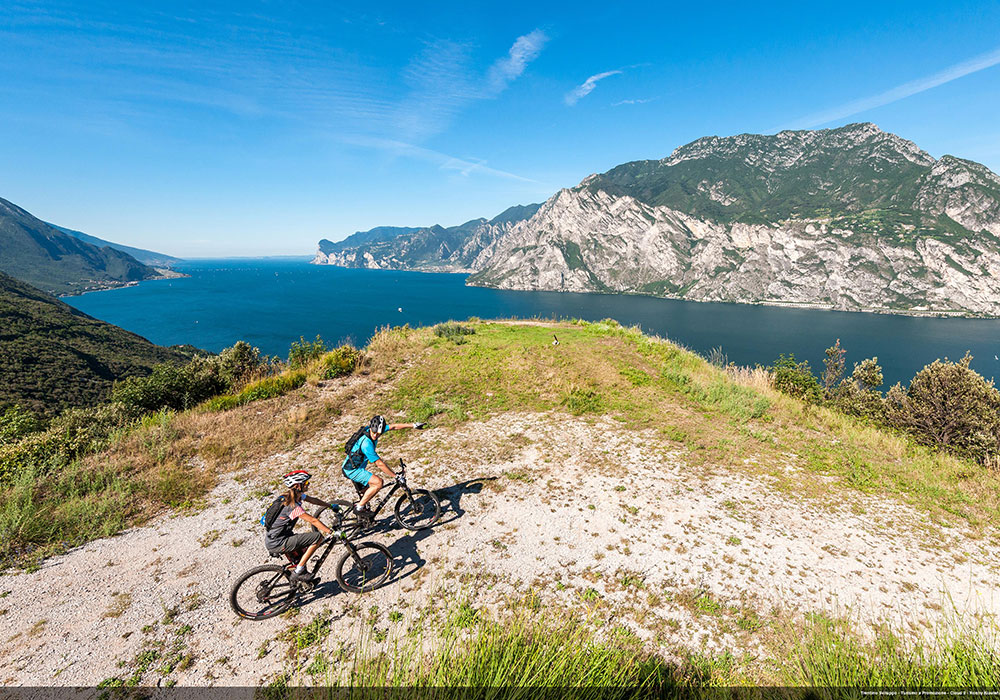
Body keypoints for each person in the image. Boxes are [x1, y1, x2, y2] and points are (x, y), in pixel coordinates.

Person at [342, 415, 426, 522]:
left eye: (379, 433)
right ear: (371, 428)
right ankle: (359, 508)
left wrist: (413, 425)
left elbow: (394, 426)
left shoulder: (374, 429)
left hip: (356, 466)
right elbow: (379, 464)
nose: (376, 435)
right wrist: (396, 476)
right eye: (375, 432)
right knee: (378, 483)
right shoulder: (366, 444)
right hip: (352, 470)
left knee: (367, 492)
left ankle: (363, 520)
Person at [264, 470, 335, 583]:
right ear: (298, 485)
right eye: (306, 483)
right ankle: (299, 571)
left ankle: (303, 581)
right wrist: (331, 532)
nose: (308, 485)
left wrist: (329, 505)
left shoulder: (292, 496)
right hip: (278, 542)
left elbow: (313, 500)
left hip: (275, 537)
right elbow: (313, 520)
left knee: (302, 551)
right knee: (317, 537)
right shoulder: (291, 505)